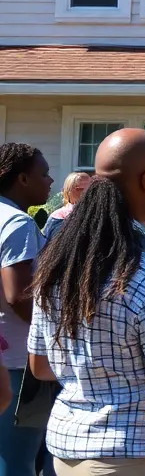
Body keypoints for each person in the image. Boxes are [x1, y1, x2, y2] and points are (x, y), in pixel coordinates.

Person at [28, 129, 145, 476]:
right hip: (132, 455)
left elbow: (41, 366)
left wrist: (97, 370)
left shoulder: (55, 272)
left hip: (66, 454)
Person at [0, 143, 52, 476]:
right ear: (22, 178)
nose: (50, 181)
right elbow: (18, 295)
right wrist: (56, 341)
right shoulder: (17, 222)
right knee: (17, 460)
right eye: (43, 174)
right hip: (19, 362)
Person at [41, 170, 89, 241]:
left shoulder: (100, 214)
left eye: (90, 189)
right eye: (80, 189)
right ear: (68, 191)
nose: (85, 193)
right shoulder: (58, 217)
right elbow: (45, 245)